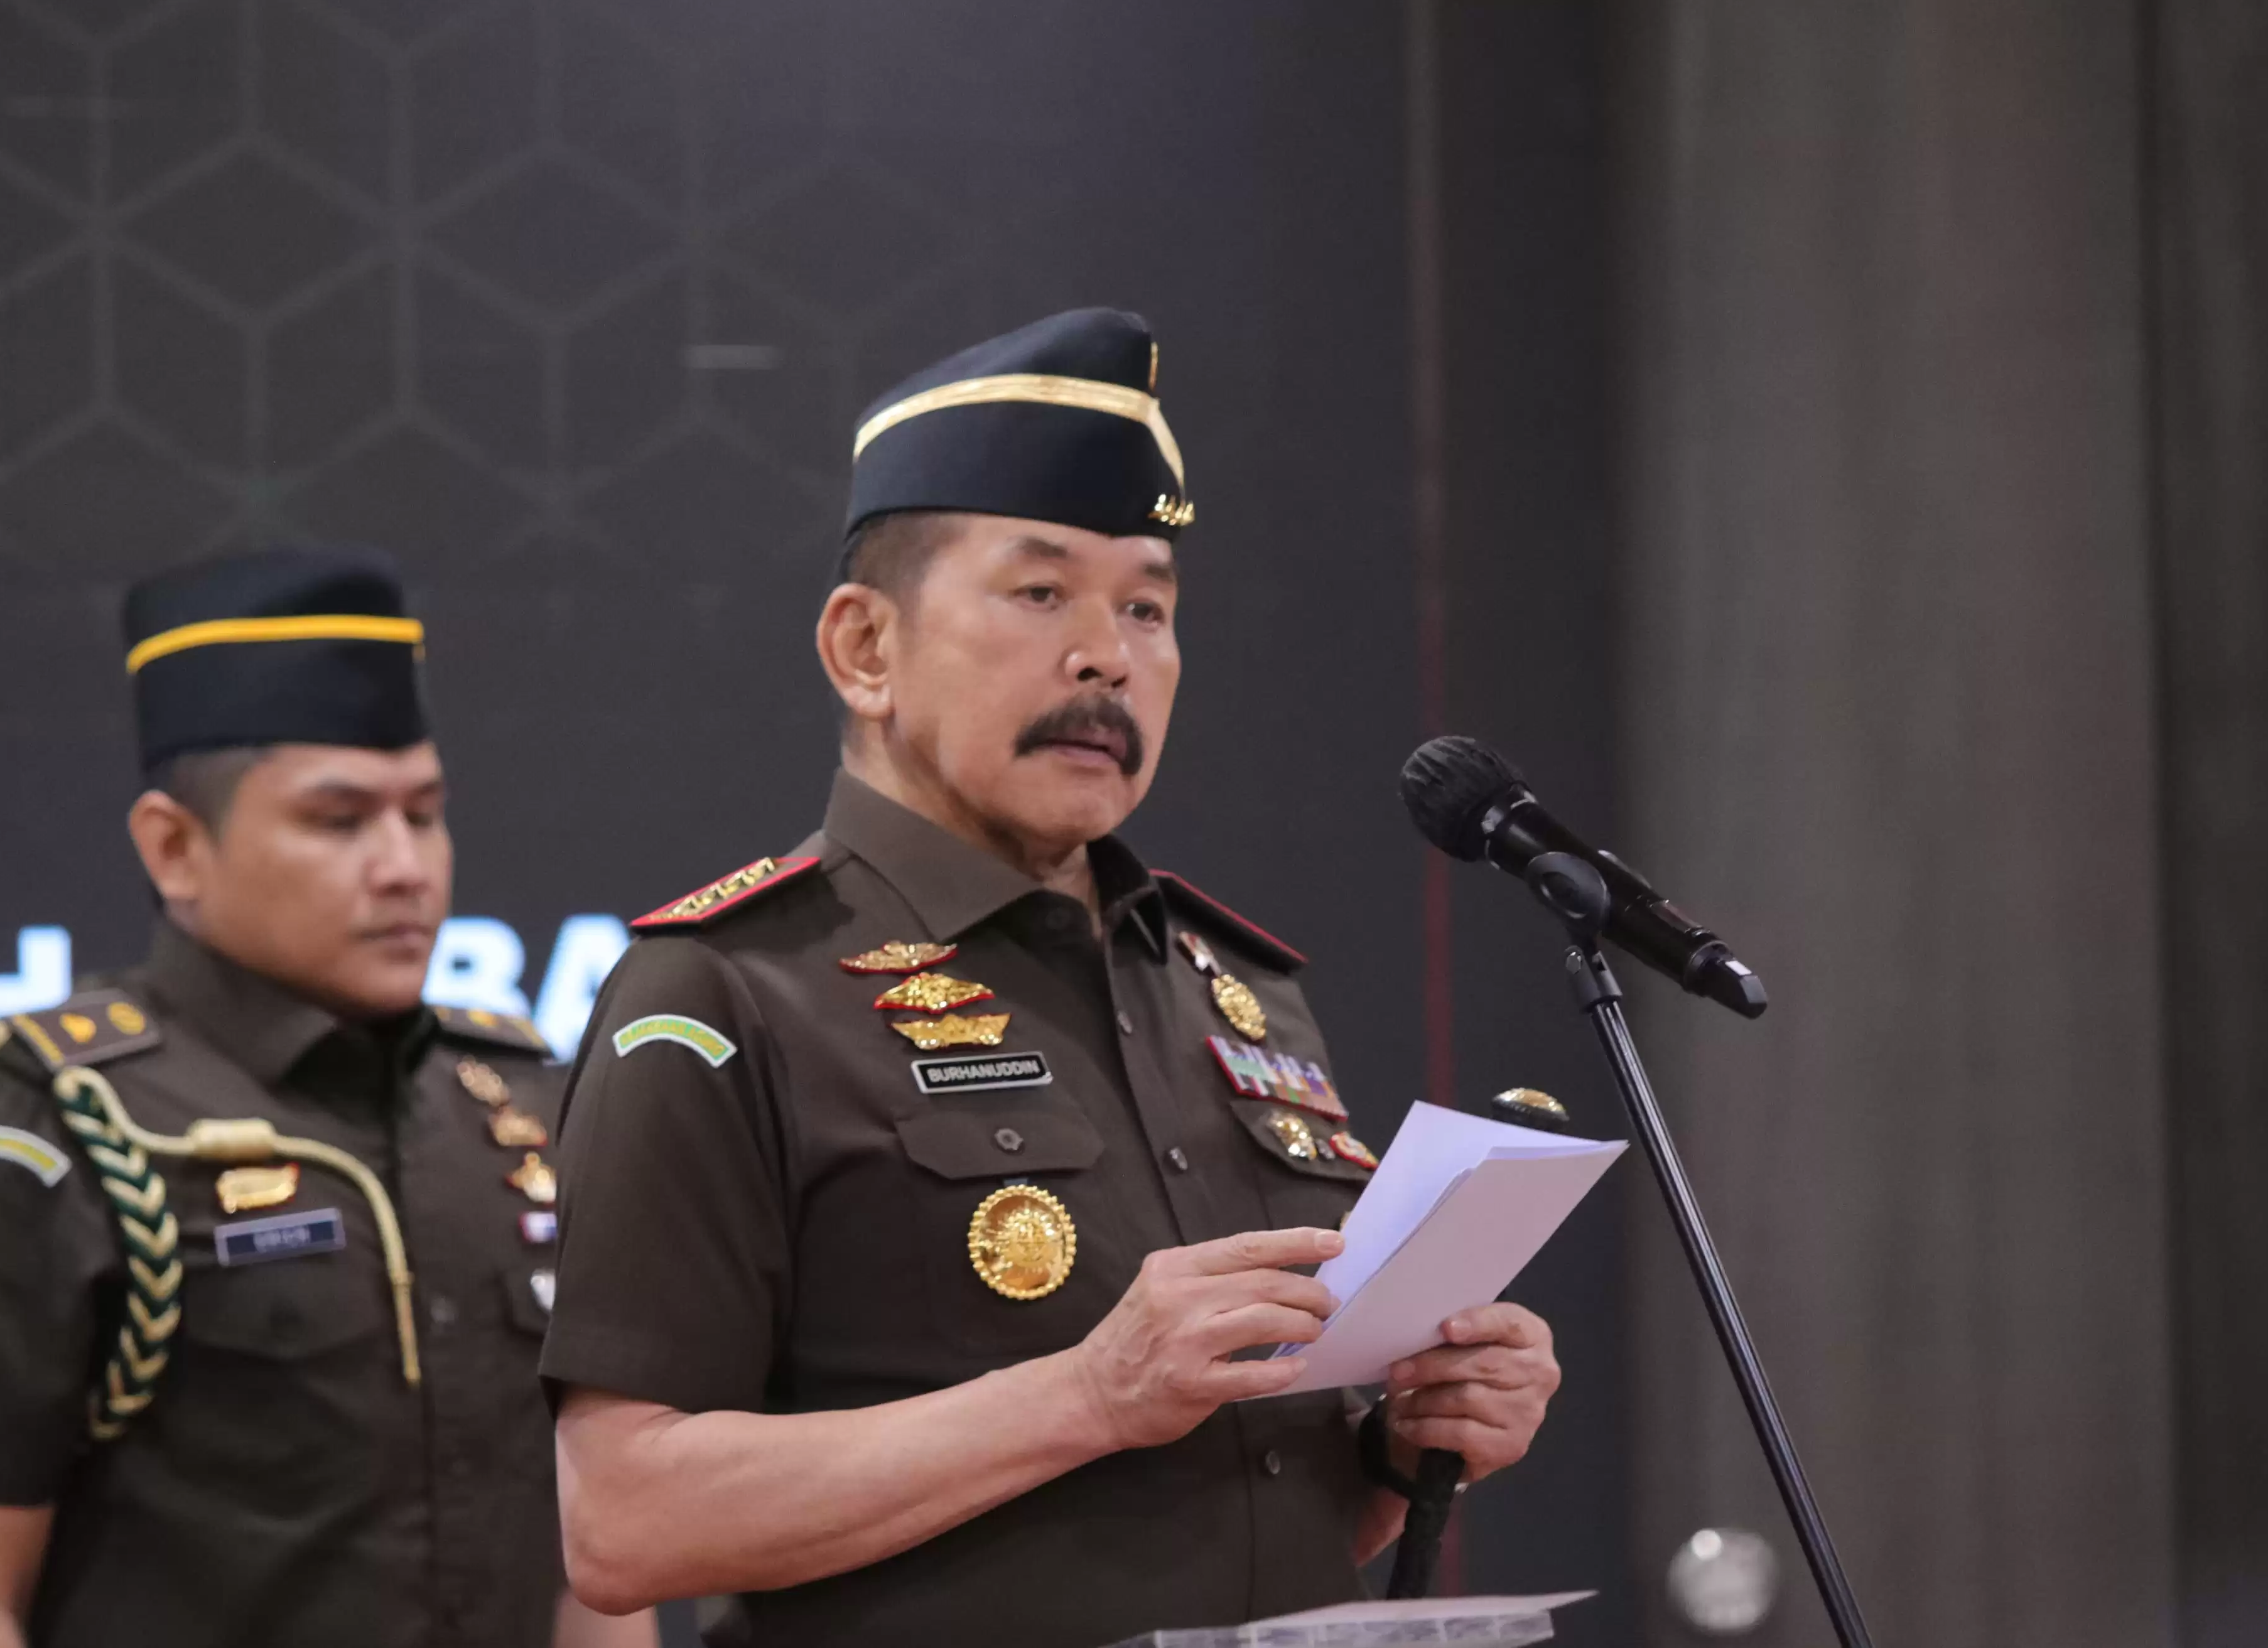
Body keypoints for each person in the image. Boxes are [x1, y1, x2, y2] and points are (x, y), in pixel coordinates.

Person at [546, 310, 1563, 1647]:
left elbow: (1247, 1510)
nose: (1108, 656)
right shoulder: (726, 992)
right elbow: (624, 1521)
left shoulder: (1235, 987)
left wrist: (1402, 1448)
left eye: (1147, 607)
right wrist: (1086, 1396)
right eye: (1041, 595)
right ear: (864, 649)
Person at [0, 547, 651, 1648]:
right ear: (175, 848)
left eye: (424, 813)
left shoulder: (516, 1105)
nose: (405, 867)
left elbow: (595, 1561)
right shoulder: (39, 1131)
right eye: (339, 820)